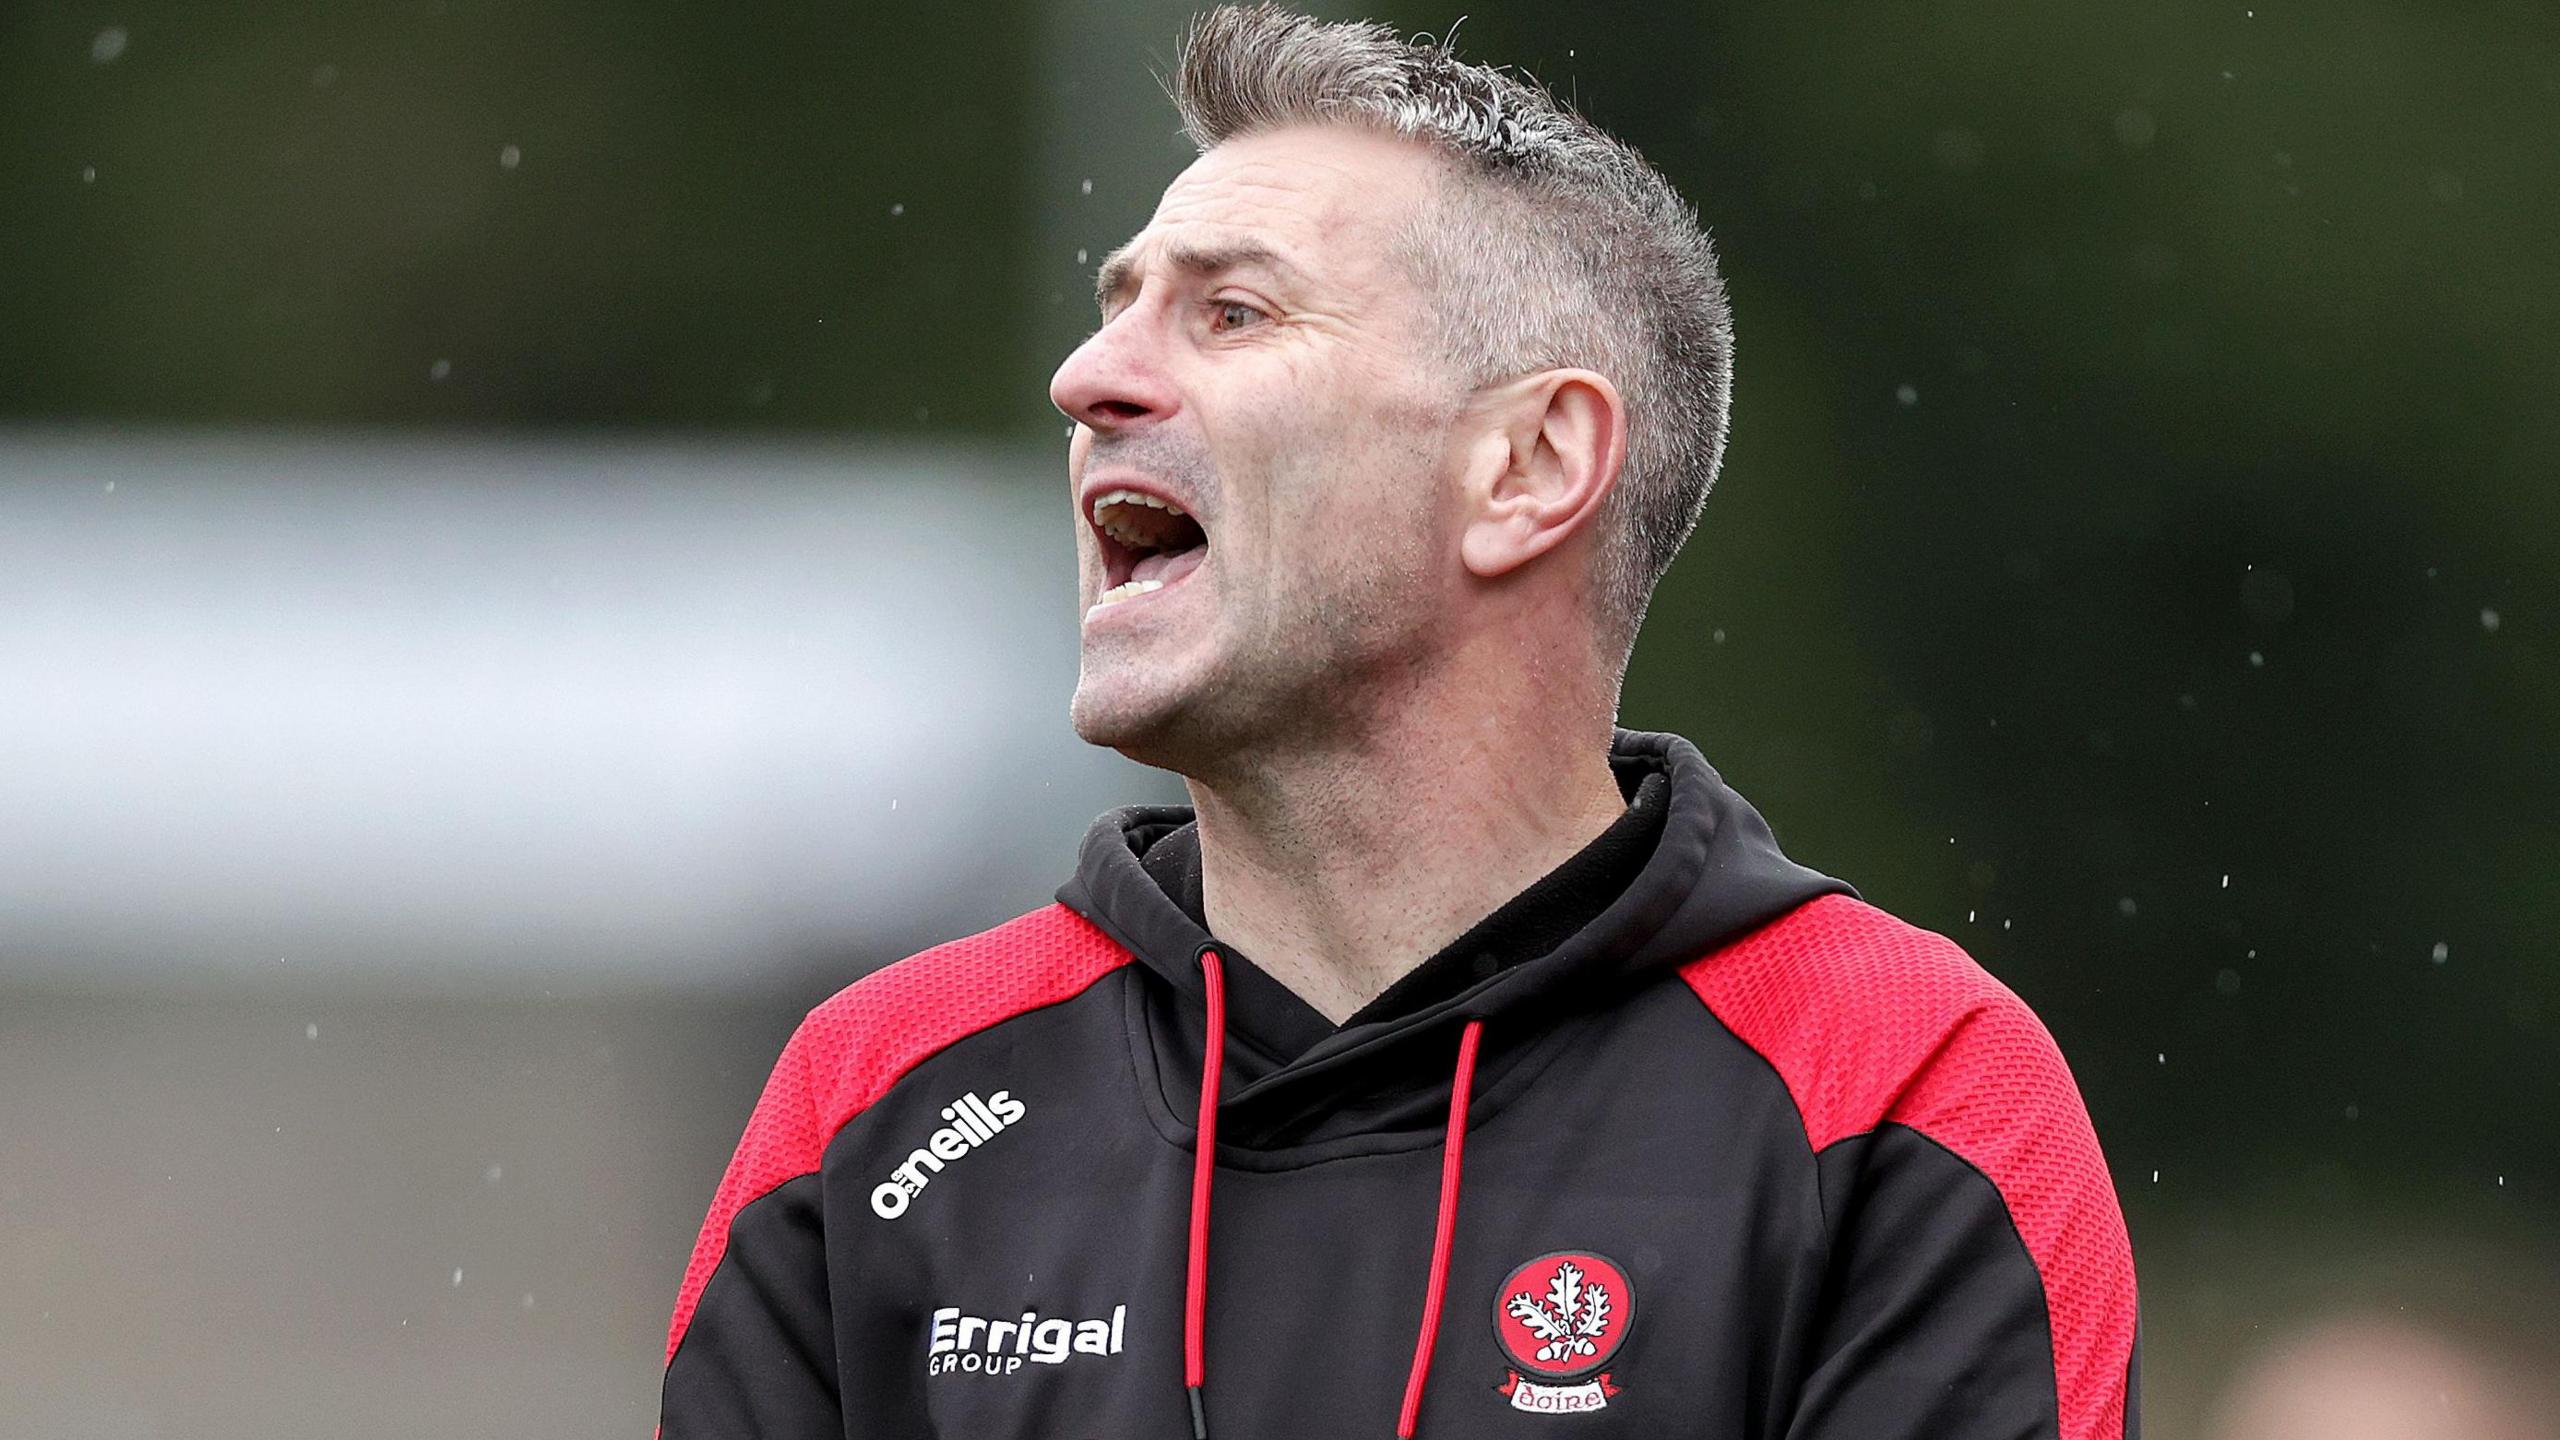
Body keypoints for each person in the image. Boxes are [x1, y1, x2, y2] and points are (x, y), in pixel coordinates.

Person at [657, 6, 2139, 1436]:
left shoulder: (1900, 1090)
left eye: (1232, 312)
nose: (1087, 379)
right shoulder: (882, 1099)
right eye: (1117, 311)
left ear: (1529, 466)